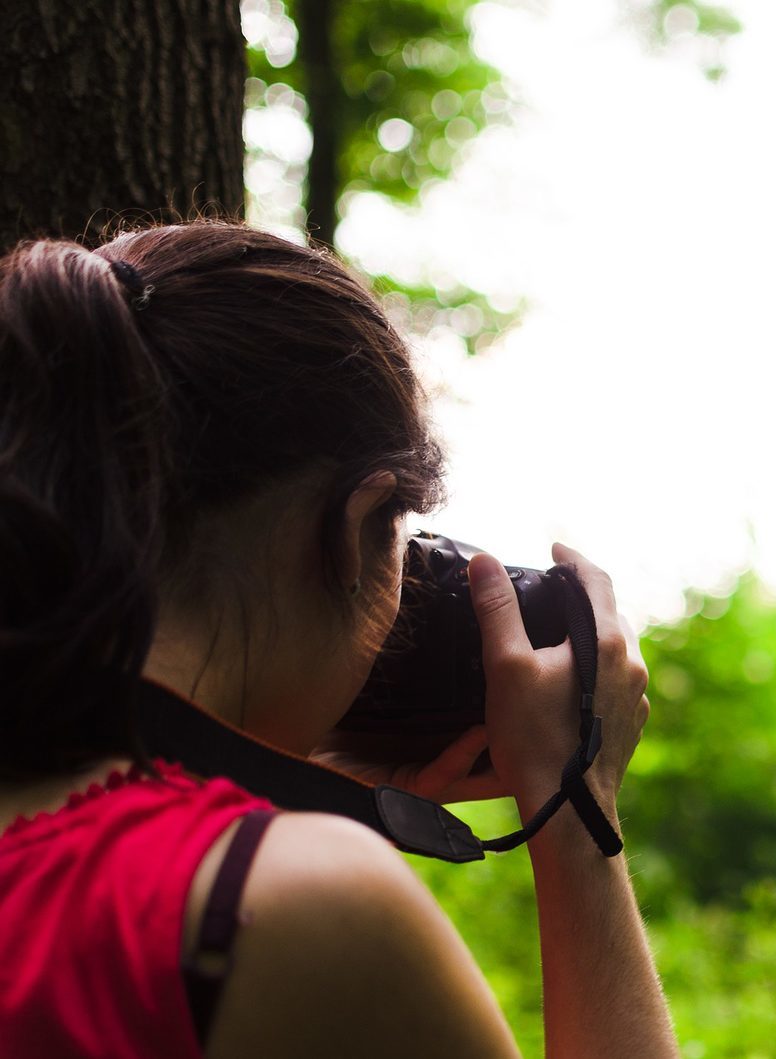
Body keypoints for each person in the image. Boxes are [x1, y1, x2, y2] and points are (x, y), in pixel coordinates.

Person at [0, 221, 679, 1058]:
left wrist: (290, 769)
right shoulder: (283, 904)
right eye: (403, 550)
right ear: (353, 531)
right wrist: (577, 814)